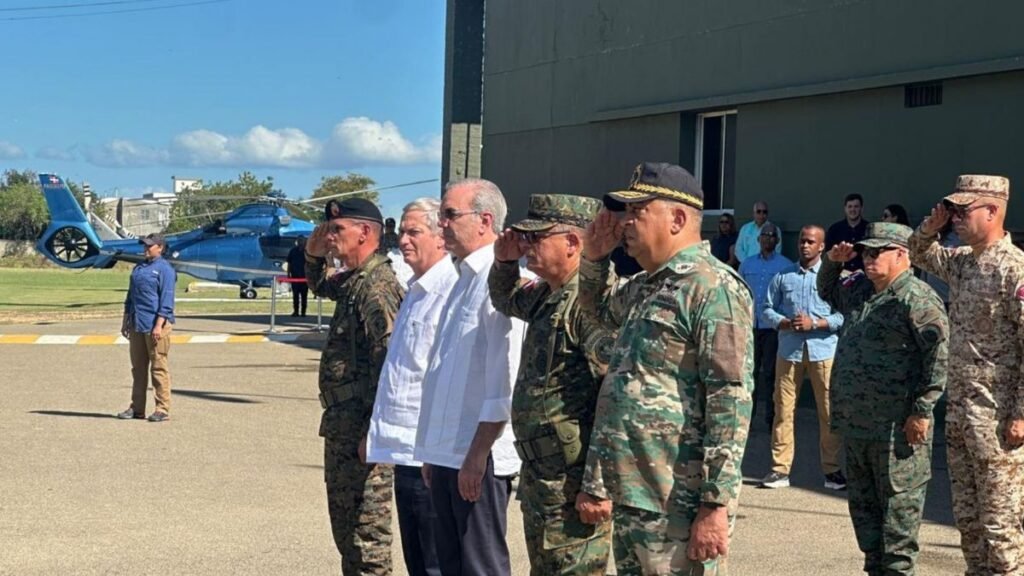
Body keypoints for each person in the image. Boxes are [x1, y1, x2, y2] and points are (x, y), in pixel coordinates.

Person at [578, 162, 754, 574]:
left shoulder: (713, 288)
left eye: (638, 211)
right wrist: (594, 259)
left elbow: (730, 401)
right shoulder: (647, 285)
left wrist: (715, 504)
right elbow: (598, 313)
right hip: (635, 494)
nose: (625, 223)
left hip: (679, 501)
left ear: (677, 218)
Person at [489, 194, 614, 576]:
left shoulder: (588, 303)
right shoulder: (548, 293)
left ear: (573, 244)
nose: (527, 247)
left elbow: (614, 399)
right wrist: (505, 261)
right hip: (544, 478)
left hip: (573, 482)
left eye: (537, 239)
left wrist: (598, 484)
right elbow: (505, 298)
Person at [818, 222, 949, 576]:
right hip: (858, 427)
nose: (868, 257)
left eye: (878, 252)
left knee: (897, 533)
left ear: (902, 254)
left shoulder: (916, 299)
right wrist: (832, 262)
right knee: (867, 527)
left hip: (896, 434)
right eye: (866, 251)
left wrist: (922, 410)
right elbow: (827, 291)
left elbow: (937, 358)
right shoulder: (861, 289)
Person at [909, 174, 1024, 575]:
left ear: (992, 211)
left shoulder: (1015, 271)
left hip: (998, 423)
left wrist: (1021, 414)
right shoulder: (962, 263)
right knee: (970, 528)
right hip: (960, 417)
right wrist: (930, 226)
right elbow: (917, 253)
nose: (955, 218)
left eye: (963, 210)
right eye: (951, 211)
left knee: (1002, 531)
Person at [414, 178, 527, 576]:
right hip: (448, 452)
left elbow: (503, 377)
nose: (440, 223)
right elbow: (444, 371)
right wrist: (433, 448)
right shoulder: (460, 279)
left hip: (477, 455)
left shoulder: (499, 283)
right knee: (450, 565)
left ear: (484, 220)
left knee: (480, 566)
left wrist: (478, 453)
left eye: (449, 214)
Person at [305, 198, 404, 575]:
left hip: (363, 430)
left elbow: (390, 366)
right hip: (345, 425)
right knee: (347, 533)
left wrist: (375, 431)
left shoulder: (377, 287)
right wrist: (313, 255)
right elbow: (320, 286)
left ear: (365, 233)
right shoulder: (355, 280)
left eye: (337, 230)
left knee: (367, 540)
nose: (330, 237)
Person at [366, 197, 454, 576]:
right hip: (404, 450)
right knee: (418, 563)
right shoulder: (415, 291)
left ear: (441, 238)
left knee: (437, 564)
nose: (402, 240)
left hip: (430, 456)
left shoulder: (449, 292)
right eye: (402, 231)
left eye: (413, 231)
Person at [759, 225, 845, 491]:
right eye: (801, 241)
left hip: (823, 352)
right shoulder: (784, 276)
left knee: (829, 412)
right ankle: (779, 470)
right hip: (789, 351)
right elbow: (764, 309)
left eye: (810, 242)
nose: (804, 246)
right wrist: (784, 322)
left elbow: (843, 315)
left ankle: (832, 471)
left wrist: (817, 324)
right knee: (783, 411)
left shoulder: (832, 278)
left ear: (822, 247)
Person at [117, 233, 176, 423]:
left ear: (160, 247)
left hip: (155, 326)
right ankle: (137, 408)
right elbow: (130, 297)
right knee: (138, 368)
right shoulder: (139, 268)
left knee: (158, 368)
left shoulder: (165, 270)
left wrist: (159, 325)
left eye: (149, 246)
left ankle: (162, 408)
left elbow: (166, 300)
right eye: (145, 245)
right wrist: (126, 320)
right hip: (137, 323)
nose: (146, 248)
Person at [738, 222, 793, 428]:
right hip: (750, 326)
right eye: (764, 235)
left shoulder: (785, 266)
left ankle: (771, 418)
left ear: (777, 240)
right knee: (748, 373)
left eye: (772, 235)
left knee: (770, 374)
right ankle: (746, 419)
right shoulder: (747, 265)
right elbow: (739, 294)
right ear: (758, 239)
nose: (768, 238)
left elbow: (789, 298)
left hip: (771, 329)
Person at [826, 193, 869, 272]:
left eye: (856, 206)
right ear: (845, 209)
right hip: (840, 277)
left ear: (861, 208)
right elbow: (828, 254)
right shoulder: (834, 229)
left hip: (865, 277)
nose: (853, 209)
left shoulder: (869, 229)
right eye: (850, 206)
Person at [286, 236, 308, 317]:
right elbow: (289, 263)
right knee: (295, 295)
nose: (300, 242)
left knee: (304, 296)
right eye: (299, 241)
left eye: (301, 241)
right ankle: (296, 311)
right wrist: (288, 273)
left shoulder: (307, 252)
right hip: (295, 276)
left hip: (304, 277)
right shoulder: (293, 251)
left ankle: (303, 312)